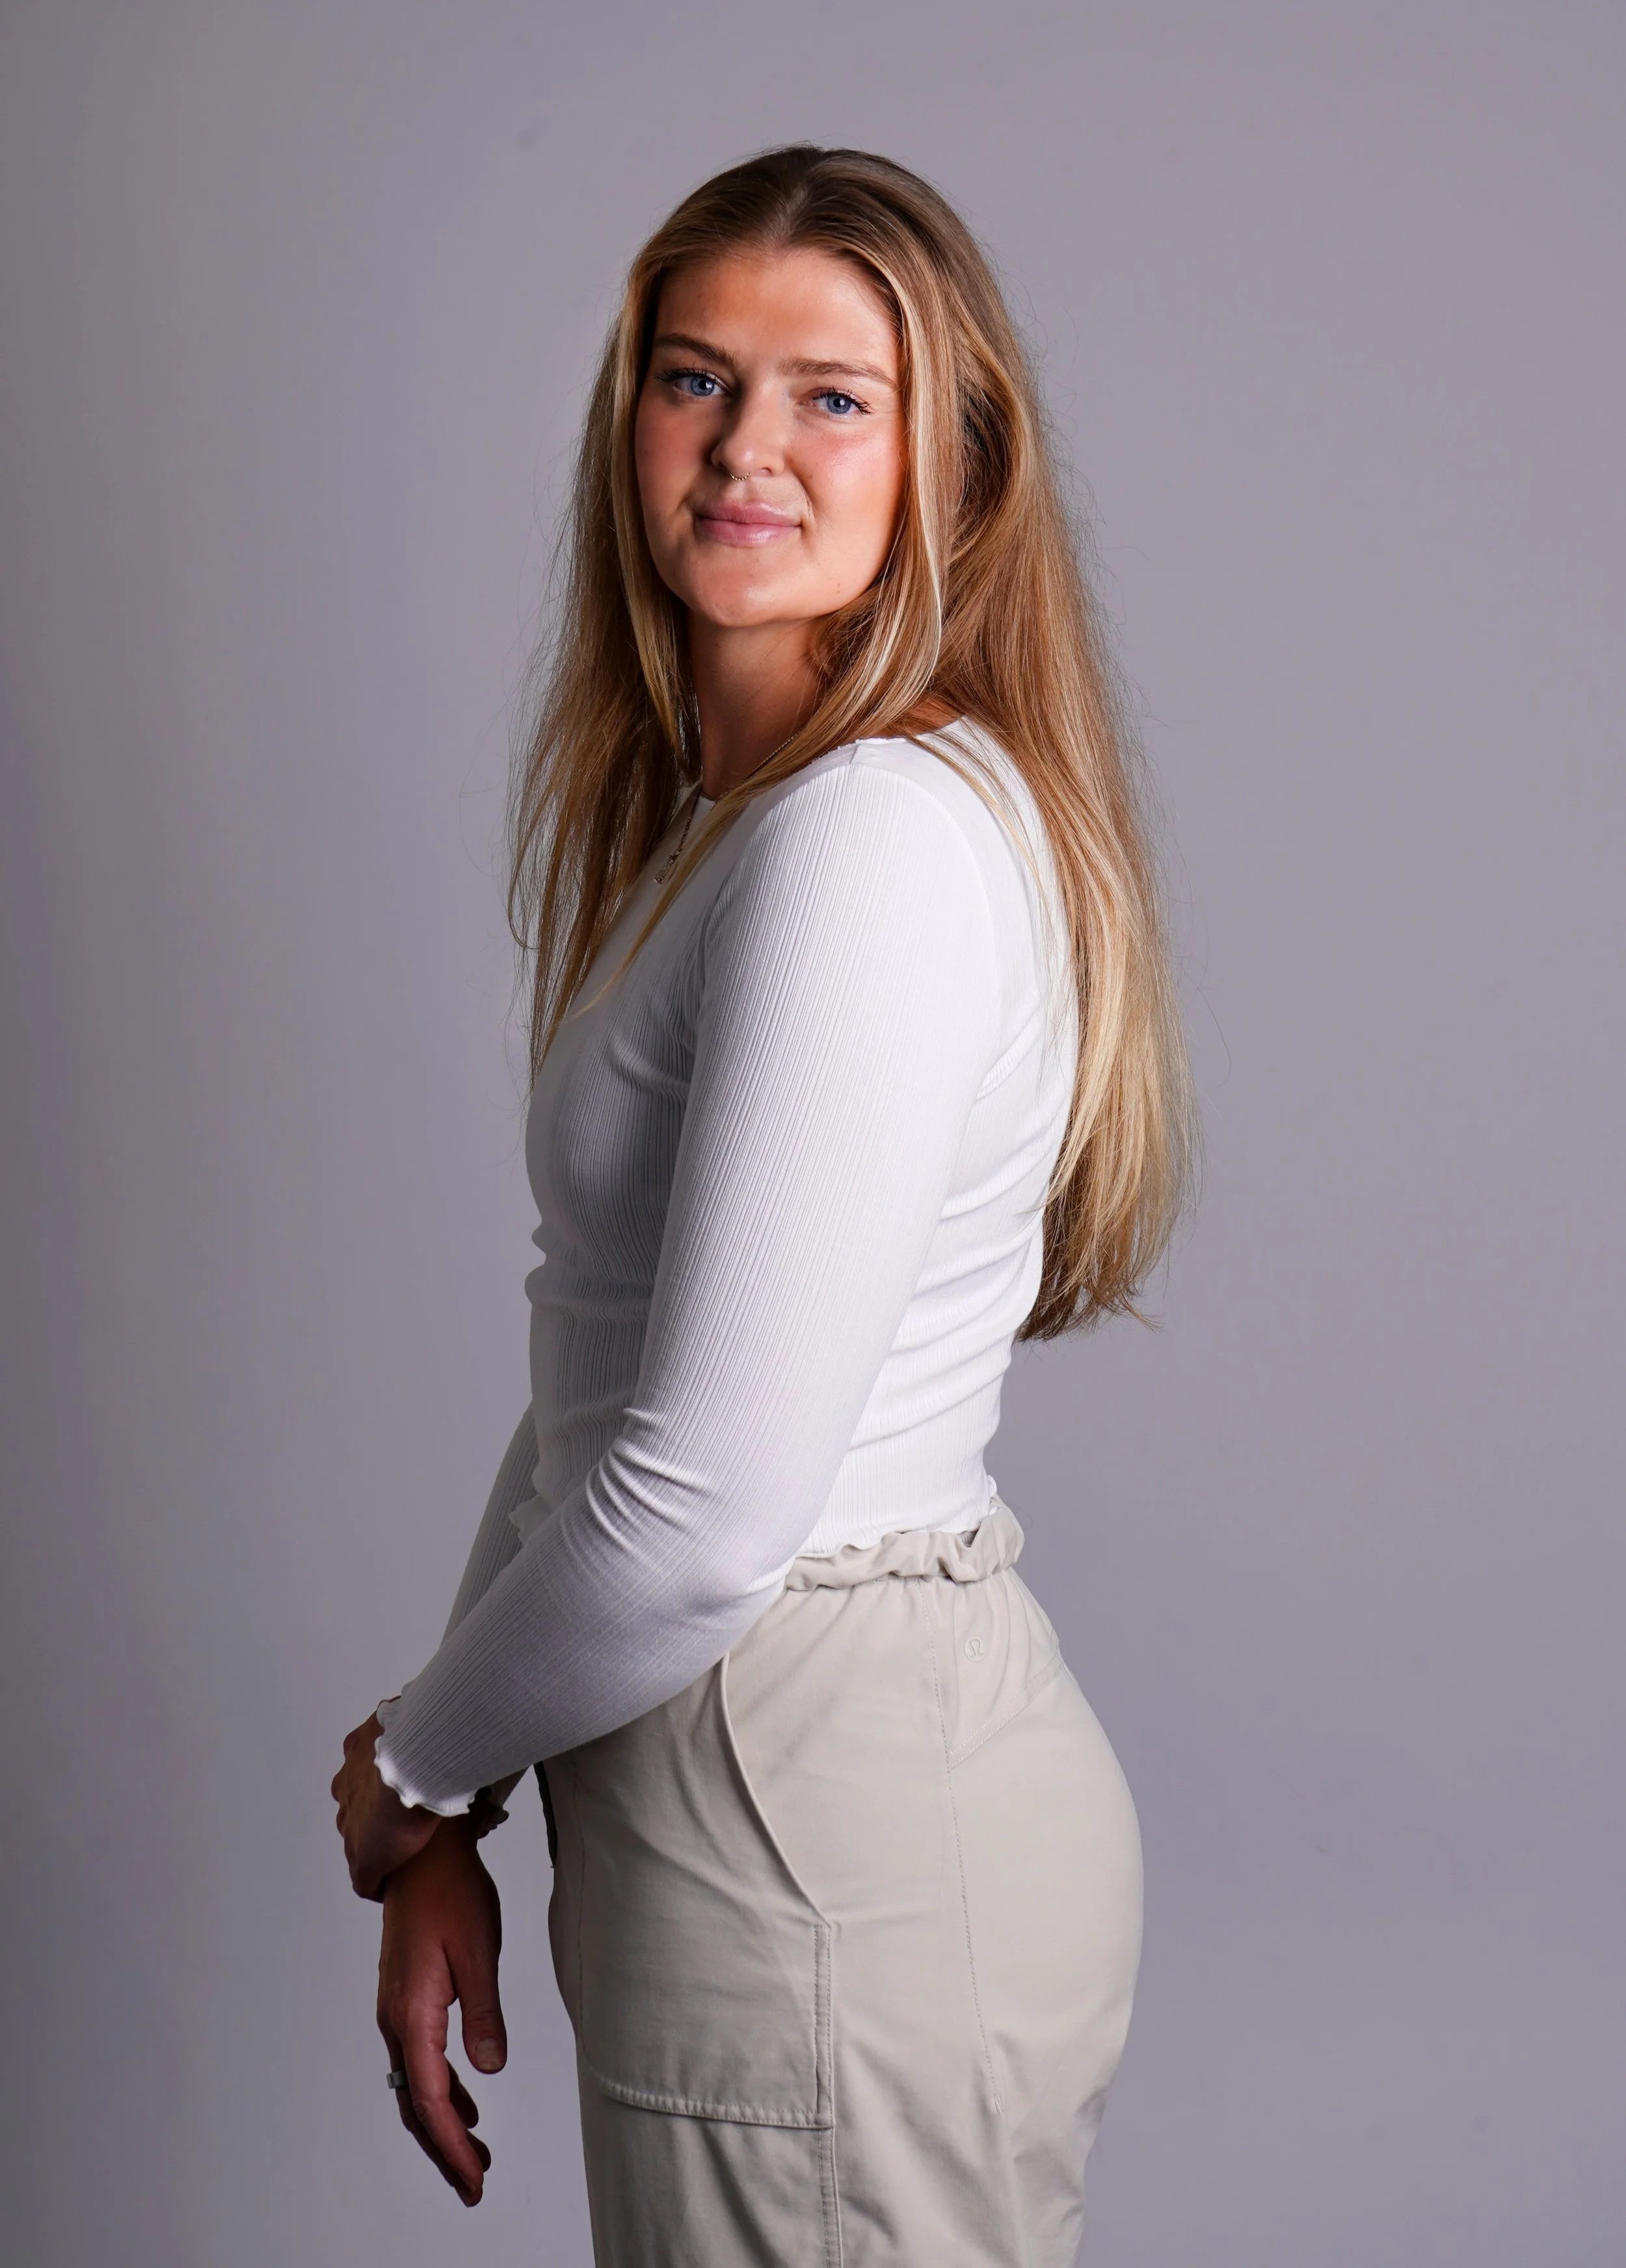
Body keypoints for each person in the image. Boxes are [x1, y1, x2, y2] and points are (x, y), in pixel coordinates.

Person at [330, 142, 1195, 2267]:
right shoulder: (750, 828)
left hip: (809, 1821)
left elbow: (704, 1504)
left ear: (951, 465)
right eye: (693, 378)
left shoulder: (867, 844)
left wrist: (411, 1771)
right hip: (754, 1788)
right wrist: (461, 1790)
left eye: (832, 395)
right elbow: (597, 1378)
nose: (744, 448)